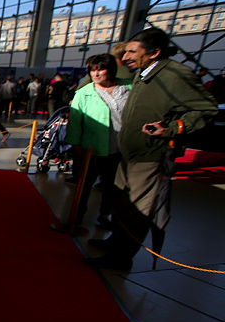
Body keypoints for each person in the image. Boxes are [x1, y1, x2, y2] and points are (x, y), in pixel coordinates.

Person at [84, 28, 218, 271]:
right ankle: (116, 243)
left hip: (150, 156)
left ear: (154, 52)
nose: (125, 58)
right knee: (124, 205)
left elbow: (207, 108)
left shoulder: (175, 75)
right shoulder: (145, 73)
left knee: (137, 210)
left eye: (132, 52)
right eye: (125, 52)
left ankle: (121, 259)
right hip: (129, 154)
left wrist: (174, 127)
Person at [65, 53, 131, 228]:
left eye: (100, 69)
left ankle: (104, 215)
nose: (96, 74)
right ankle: (77, 214)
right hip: (90, 149)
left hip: (118, 147)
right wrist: (75, 144)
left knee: (112, 186)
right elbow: (75, 121)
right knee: (84, 183)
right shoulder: (84, 93)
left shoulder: (128, 89)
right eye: (92, 70)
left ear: (111, 70)